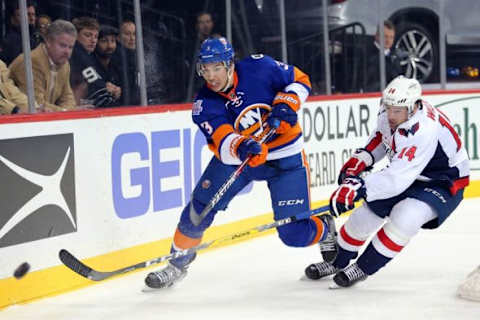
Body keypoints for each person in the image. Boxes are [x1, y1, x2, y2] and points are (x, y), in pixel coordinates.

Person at [144, 37, 338, 289]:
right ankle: (176, 264)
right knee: (197, 210)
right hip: (240, 160)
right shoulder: (204, 104)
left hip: (285, 157)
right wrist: (242, 145)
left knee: (295, 235)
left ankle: (324, 227)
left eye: (216, 68)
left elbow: (300, 79)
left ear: (229, 65)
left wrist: (286, 103)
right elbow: (224, 140)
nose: (210, 75)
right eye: (205, 68)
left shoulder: (260, 67)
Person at [305, 76, 470, 288]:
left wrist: (360, 186)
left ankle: (363, 268)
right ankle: (337, 262)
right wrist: (362, 158)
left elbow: (396, 179)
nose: (391, 115)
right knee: (364, 216)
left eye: (397, 111)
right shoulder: (391, 110)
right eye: (388, 108)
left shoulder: (424, 128)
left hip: (442, 181)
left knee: (406, 217)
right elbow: (382, 138)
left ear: (413, 108)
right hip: (408, 172)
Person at [9, 19, 76, 112]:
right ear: (48, 41)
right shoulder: (30, 62)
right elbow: (36, 103)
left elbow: (68, 98)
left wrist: (66, 110)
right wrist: (65, 111)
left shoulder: (64, 64)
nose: (67, 52)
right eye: (62, 45)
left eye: (70, 47)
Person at [70, 17, 118, 108]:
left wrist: (106, 86)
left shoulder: (86, 55)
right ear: (75, 35)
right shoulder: (78, 54)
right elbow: (98, 91)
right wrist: (106, 89)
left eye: (96, 36)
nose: (93, 40)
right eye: (88, 35)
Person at [364, 20, 404, 92]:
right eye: (385, 36)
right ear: (376, 36)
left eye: (391, 37)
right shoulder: (368, 54)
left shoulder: (394, 55)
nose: (388, 40)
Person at [0, 1, 41, 65]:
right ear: (13, 19)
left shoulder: (38, 37)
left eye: (33, 14)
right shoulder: (10, 42)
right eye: (27, 14)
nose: (32, 18)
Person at [111, 20, 139, 105]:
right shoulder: (118, 58)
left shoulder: (136, 55)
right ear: (118, 37)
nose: (132, 38)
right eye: (127, 34)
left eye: (134, 34)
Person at [93, 25, 122, 106]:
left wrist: (119, 91)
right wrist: (102, 87)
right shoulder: (89, 64)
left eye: (113, 41)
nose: (110, 46)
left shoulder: (119, 64)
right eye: (104, 41)